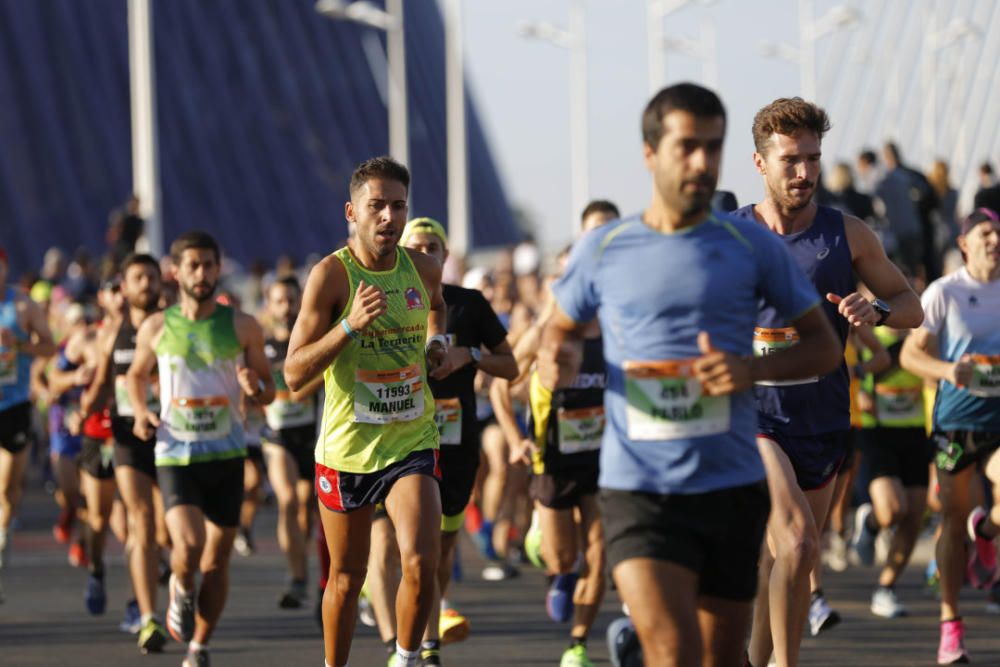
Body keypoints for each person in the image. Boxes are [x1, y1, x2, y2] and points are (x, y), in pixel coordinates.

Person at [539, 82, 842, 667]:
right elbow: (556, 328)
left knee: (718, 656)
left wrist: (748, 370)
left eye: (713, 147)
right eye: (686, 146)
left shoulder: (752, 246)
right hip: (641, 488)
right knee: (674, 650)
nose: (702, 161)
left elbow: (824, 348)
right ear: (651, 154)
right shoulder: (606, 247)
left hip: (728, 486)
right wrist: (562, 354)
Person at [735, 98, 923, 667]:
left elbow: (911, 306)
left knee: (787, 559)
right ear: (760, 163)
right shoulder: (729, 237)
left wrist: (877, 311)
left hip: (822, 417)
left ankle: (754, 659)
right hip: (752, 418)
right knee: (797, 543)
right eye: (791, 160)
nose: (805, 173)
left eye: (813, 158)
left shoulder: (848, 235)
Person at [283, 156, 447, 667]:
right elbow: (292, 373)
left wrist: (436, 343)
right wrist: (349, 327)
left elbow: (437, 305)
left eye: (398, 206)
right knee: (347, 579)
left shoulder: (422, 267)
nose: (389, 218)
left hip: (412, 439)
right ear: (351, 212)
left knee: (420, 560)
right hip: (347, 450)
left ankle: (405, 656)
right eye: (377, 206)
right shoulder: (331, 276)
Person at [127, 231, 276, 667]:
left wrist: (257, 387)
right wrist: (140, 411)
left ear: (218, 267)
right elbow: (136, 375)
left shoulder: (243, 325)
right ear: (176, 272)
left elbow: (268, 391)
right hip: (176, 452)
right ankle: (179, 586)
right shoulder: (157, 326)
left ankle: (199, 645)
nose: (202, 273)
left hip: (226, 454)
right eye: (193, 265)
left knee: (217, 561)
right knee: (189, 546)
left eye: (209, 264)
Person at [391, 216, 517, 665]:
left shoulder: (469, 303)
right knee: (409, 547)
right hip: (401, 440)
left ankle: (428, 638)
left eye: (433, 247)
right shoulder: (390, 300)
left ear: (446, 255)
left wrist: (472, 355)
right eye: (416, 246)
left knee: (440, 549)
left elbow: (512, 366)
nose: (425, 253)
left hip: (454, 441)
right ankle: (410, 640)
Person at [900, 208, 1000, 664]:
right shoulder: (944, 293)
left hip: (997, 420)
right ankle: (950, 625)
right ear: (965, 243)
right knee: (953, 524)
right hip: (955, 422)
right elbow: (909, 357)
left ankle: (990, 528)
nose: (994, 240)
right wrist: (947, 370)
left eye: (998, 233)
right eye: (985, 233)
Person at [81, 253, 169, 652]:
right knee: (141, 521)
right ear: (125, 286)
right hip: (124, 435)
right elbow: (102, 381)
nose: (146, 284)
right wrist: (83, 408)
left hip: (170, 435)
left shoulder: (174, 326)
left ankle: (167, 587)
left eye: (151, 277)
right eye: (138, 278)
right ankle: (145, 613)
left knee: (168, 532)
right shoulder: (109, 334)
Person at [851, 321, 930, 619]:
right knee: (893, 510)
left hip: (914, 432)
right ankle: (871, 521)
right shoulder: (865, 335)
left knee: (914, 516)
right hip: (877, 433)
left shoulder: (920, 338)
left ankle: (886, 587)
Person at [260, 276, 324, 608]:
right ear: (268, 306)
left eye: (291, 301)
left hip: (311, 436)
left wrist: (301, 387)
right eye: (279, 301)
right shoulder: (261, 344)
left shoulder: (311, 340)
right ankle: (297, 578)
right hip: (277, 437)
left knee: (306, 510)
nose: (286, 308)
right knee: (286, 501)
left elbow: (326, 373)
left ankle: (314, 573)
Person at [0, 247, 56, 601]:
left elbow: (50, 348)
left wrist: (19, 344)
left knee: (7, 488)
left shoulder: (22, 306)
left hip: (14, 405)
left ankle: (2, 541)